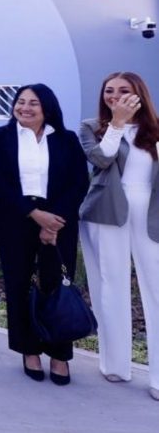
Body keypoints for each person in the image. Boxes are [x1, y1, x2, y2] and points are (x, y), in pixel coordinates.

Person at [0, 84, 87, 385]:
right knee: (20, 284)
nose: (25, 107)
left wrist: (52, 222)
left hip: (59, 220)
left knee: (57, 283)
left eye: (33, 103)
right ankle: (28, 350)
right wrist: (33, 214)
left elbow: (79, 182)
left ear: (47, 108)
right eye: (20, 101)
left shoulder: (66, 139)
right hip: (15, 218)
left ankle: (59, 355)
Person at [78, 72, 159, 401]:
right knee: (110, 286)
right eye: (109, 91)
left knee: (156, 291)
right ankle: (115, 365)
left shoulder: (155, 129)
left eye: (124, 90)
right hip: (107, 212)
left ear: (139, 93)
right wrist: (117, 124)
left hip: (151, 215)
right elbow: (101, 158)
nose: (115, 96)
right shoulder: (91, 127)